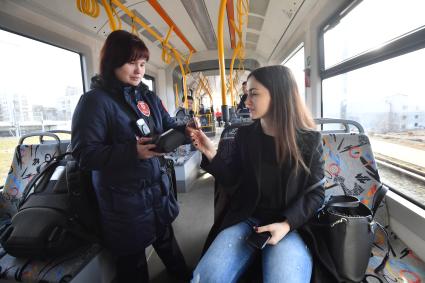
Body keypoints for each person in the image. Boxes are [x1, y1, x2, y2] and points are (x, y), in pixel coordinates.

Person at [188, 65, 327, 283]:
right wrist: (210, 152)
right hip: (247, 218)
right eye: (246, 94)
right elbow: (233, 180)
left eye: (254, 94)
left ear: (279, 95)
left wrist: (287, 224)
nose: (246, 102)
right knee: (205, 279)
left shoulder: (309, 140)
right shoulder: (244, 135)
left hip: (290, 224)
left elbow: (316, 194)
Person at [71, 30, 191, 283]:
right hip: (123, 201)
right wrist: (131, 151)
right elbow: (84, 155)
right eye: (131, 63)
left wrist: (186, 128)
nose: (138, 70)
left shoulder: (148, 97)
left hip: (156, 189)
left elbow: (169, 123)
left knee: (167, 242)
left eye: (142, 64)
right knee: (133, 264)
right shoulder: (94, 102)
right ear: (112, 62)